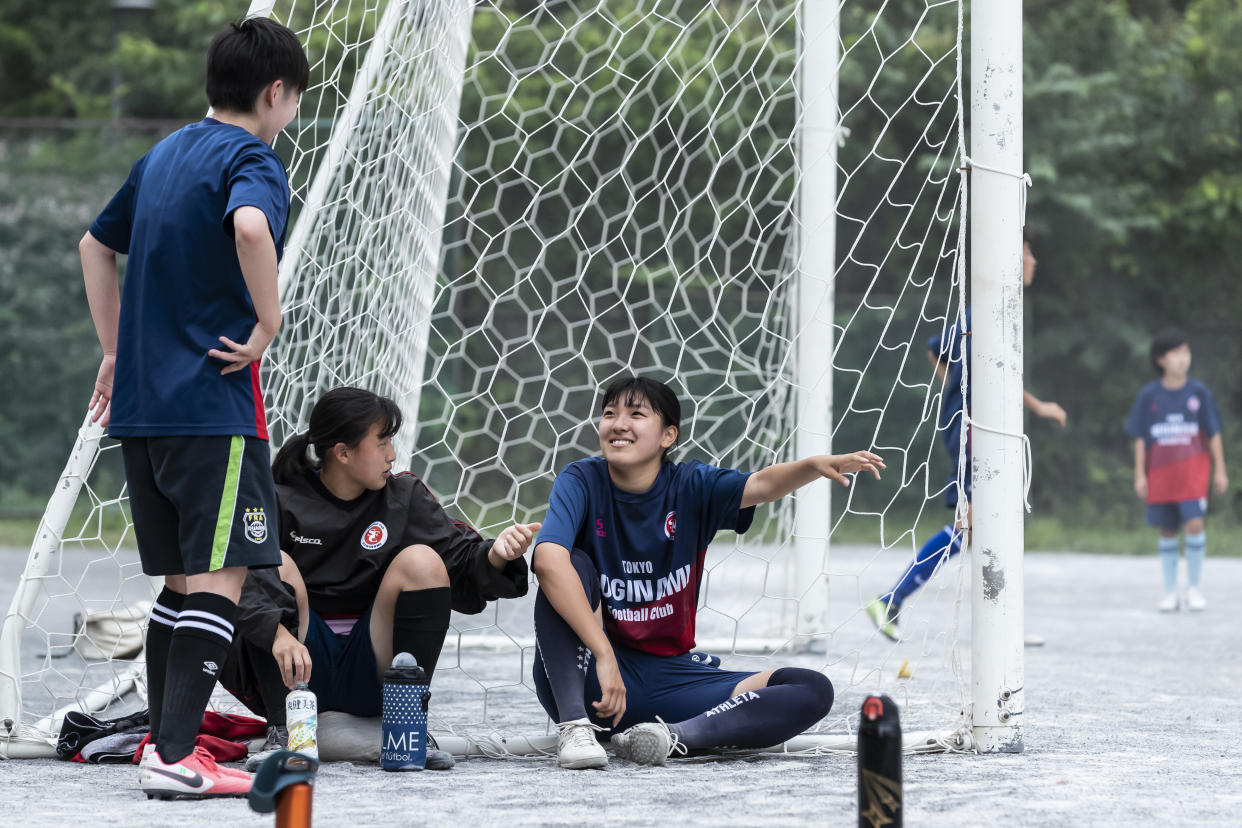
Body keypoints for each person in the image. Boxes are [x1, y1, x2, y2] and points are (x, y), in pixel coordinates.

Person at [79, 17, 308, 799]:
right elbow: (249, 226)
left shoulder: (164, 153)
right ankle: (175, 757)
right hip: (212, 409)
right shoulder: (253, 158)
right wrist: (268, 322)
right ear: (275, 93)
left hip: (141, 411)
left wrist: (113, 351)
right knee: (222, 580)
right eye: (293, 103)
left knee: (181, 585)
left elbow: (92, 245)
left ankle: (164, 741)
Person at [531, 375, 884, 769]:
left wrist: (814, 466)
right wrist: (603, 653)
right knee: (567, 564)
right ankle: (575, 729)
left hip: (672, 681)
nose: (618, 424)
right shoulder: (580, 479)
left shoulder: (692, 485)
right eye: (609, 414)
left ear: (668, 435)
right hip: (591, 678)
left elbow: (762, 485)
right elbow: (546, 559)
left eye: (636, 414)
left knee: (810, 687)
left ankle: (670, 738)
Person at [222, 387, 537, 770]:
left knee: (422, 560)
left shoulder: (402, 497)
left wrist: (496, 554)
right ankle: (283, 730)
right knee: (273, 561)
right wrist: (278, 634)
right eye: (382, 441)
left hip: (372, 667)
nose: (392, 454)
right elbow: (240, 577)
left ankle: (406, 722)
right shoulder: (279, 498)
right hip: (297, 670)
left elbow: (457, 559)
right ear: (343, 452)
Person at [864, 239, 1067, 642]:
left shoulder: (999, 313)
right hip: (975, 435)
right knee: (971, 524)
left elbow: (943, 353)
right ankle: (891, 599)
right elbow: (937, 350)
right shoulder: (988, 315)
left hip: (980, 430)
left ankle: (1001, 622)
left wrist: (1026, 405)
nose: (1033, 260)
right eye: (1025, 252)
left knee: (991, 523)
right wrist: (964, 397)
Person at [1126, 328, 1227, 612]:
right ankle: (1170, 592)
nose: (1183, 359)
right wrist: (1139, 474)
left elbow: (1214, 432)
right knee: (1168, 530)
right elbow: (1141, 438)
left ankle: (1194, 588)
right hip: (1160, 475)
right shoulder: (1149, 396)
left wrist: (1220, 469)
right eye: (1175, 353)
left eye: (1186, 352)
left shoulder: (1199, 393)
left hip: (1193, 475)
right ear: (1160, 359)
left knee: (1195, 523)